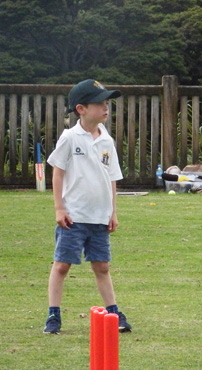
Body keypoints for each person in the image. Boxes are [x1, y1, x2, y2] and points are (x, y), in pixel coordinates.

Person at [44, 79, 131, 335]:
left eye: (107, 103)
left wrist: (113, 211)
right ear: (81, 109)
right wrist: (59, 208)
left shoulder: (107, 140)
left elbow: (111, 178)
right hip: (74, 217)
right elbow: (58, 173)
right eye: (99, 103)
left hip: (100, 218)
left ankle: (114, 313)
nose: (106, 108)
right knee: (62, 265)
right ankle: (53, 315)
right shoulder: (70, 138)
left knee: (102, 267)